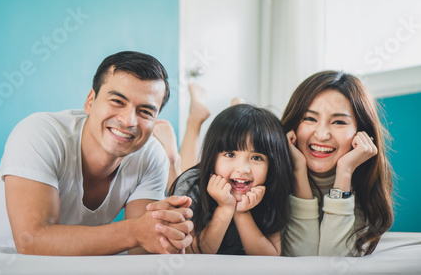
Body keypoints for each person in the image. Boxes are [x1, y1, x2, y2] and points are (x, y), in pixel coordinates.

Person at [0, 51, 193, 255]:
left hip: (35, 179)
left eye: (145, 111)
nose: (129, 120)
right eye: (117, 101)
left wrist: (166, 232)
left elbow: (139, 246)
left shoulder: (151, 155)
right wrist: (136, 231)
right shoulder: (39, 131)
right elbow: (31, 239)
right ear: (90, 101)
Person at [280, 70, 394, 257]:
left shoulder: (365, 181)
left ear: (361, 132)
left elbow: (333, 260)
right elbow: (301, 258)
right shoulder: (269, 174)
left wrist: (345, 173)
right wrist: (298, 172)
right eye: (310, 118)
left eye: (339, 122)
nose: (322, 134)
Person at [167, 104, 293, 255]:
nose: (243, 169)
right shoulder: (191, 184)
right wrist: (225, 209)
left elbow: (269, 257)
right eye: (230, 154)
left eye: (256, 157)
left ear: (271, 166)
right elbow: (192, 255)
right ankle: (173, 157)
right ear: (213, 157)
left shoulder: (269, 189)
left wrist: (241, 212)